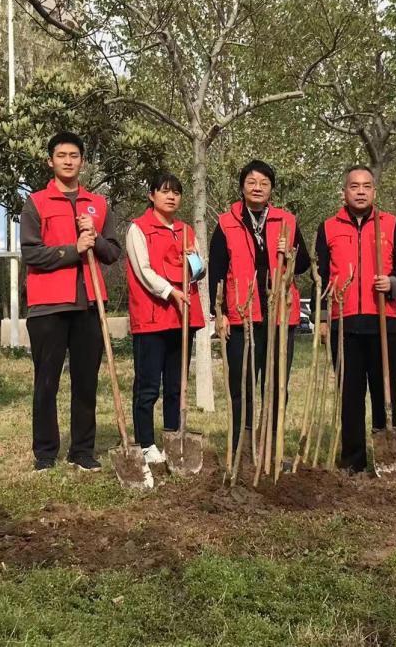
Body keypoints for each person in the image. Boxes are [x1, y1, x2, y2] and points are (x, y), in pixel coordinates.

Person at [21, 131, 122, 472]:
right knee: (46, 381)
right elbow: (32, 254)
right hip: (48, 305)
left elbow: (113, 252)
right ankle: (45, 453)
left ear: (82, 161)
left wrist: (93, 240)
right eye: (61, 155)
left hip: (90, 304)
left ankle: (82, 450)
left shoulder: (98, 204)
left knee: (86, 381)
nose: (68, 161)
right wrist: (72, 250)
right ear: (51, 161)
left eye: (74, 155)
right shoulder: (36, 203)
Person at [315, 165, 396, 474]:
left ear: (374, 192)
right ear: (344, 192)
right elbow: (321, 276)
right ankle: (353, 460)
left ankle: (388, 458)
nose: (360, 191)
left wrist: (394, 283)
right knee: (350, 394)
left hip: (382, 320)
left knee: (385, 390)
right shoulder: (328, 227)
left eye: (366, 186)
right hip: (344, 323)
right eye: (354, 186)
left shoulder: (392, 225)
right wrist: (321, 317)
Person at [209, 159, 310, 456]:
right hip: (242, 316)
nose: (257, 187)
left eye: (264, 183)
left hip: (280, 315)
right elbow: (216, 270)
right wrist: (220, 314)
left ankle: (271, 442)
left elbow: (302, 263)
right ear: (242, 186)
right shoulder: (227, 223)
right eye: (252, 182)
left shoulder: (286, 221)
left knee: (278, 384)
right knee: (242, 384)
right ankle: (243, 443)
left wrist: (289, 252)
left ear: (271, 189)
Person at [124, 172, 205, 466]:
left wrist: (193, 260)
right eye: (165, 191)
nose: (171, 197)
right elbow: (143, 271)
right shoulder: (138, 229)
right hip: (153, 317)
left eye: (177, 193)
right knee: (148, 385)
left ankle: (172, 436)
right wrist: (170, 291)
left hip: (182, 317)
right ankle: (145, 443)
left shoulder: (185, 230)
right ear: (152, 195)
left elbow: (198, 272)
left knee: (176, 384)